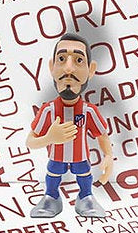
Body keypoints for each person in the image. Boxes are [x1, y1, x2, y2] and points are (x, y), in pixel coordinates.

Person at [26, 33, 113, 218]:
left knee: (84, 175)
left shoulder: (89, 111)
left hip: (80, 156)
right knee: (53, 174)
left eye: (79, 60)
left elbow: (102, 135)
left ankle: (86, 196)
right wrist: (49, 138)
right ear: (52, 67)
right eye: (62, 59)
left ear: (91, 70)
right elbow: (30, 141)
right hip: (56, 156)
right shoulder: (48, 110)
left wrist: (108, 156)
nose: (68, 68)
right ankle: (51, 197)